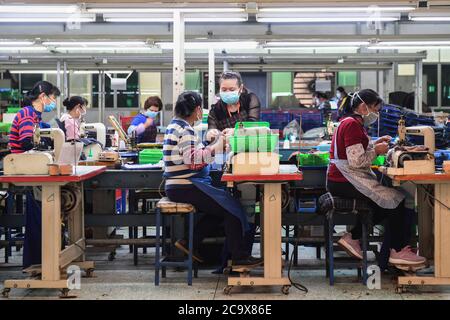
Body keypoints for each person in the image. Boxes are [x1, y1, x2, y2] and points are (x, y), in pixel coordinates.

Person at [327, 89, 427, 269]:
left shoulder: (351, 122)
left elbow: (355, 147)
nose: (377, 113)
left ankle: (353, 238)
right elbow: (356, 160)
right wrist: (376, 151)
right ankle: (397, 251)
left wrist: (374, 142)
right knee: (395, 201)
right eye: (375, 108)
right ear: (364, 106)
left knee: (381, 204)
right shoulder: (352, 124)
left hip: (342, 177)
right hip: (344, 179)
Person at [163, 91, 262, 268]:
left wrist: (215, 143)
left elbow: (194, 154)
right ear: (198, 110)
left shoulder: (176, 126)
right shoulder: (184, 129)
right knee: (232, 208)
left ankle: (188, 242)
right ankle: (240, 257)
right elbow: (193, 161)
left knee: (219, 209)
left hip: (182, 185)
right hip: (187, 185)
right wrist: (216, 148)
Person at [9, 80, 61, 268]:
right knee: (38, 212)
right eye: (53, 98)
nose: (53, 103)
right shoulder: (27, 114)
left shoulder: (36, 116)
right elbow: (25, 143)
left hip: (31, 165)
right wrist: (46, 145)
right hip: (24, 167)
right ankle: (37, 260)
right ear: (43, 97)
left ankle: (45, 257)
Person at [207, 71, 260, 139]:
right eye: (224, 89)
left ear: (240, 88)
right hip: (225, 146)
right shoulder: (216, 110)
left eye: (232, 89)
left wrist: (236, 131)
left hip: (248, 143)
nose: (228, 92)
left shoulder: (250, 99)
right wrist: (211, 133)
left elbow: (253, 124)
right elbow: (211, 129)